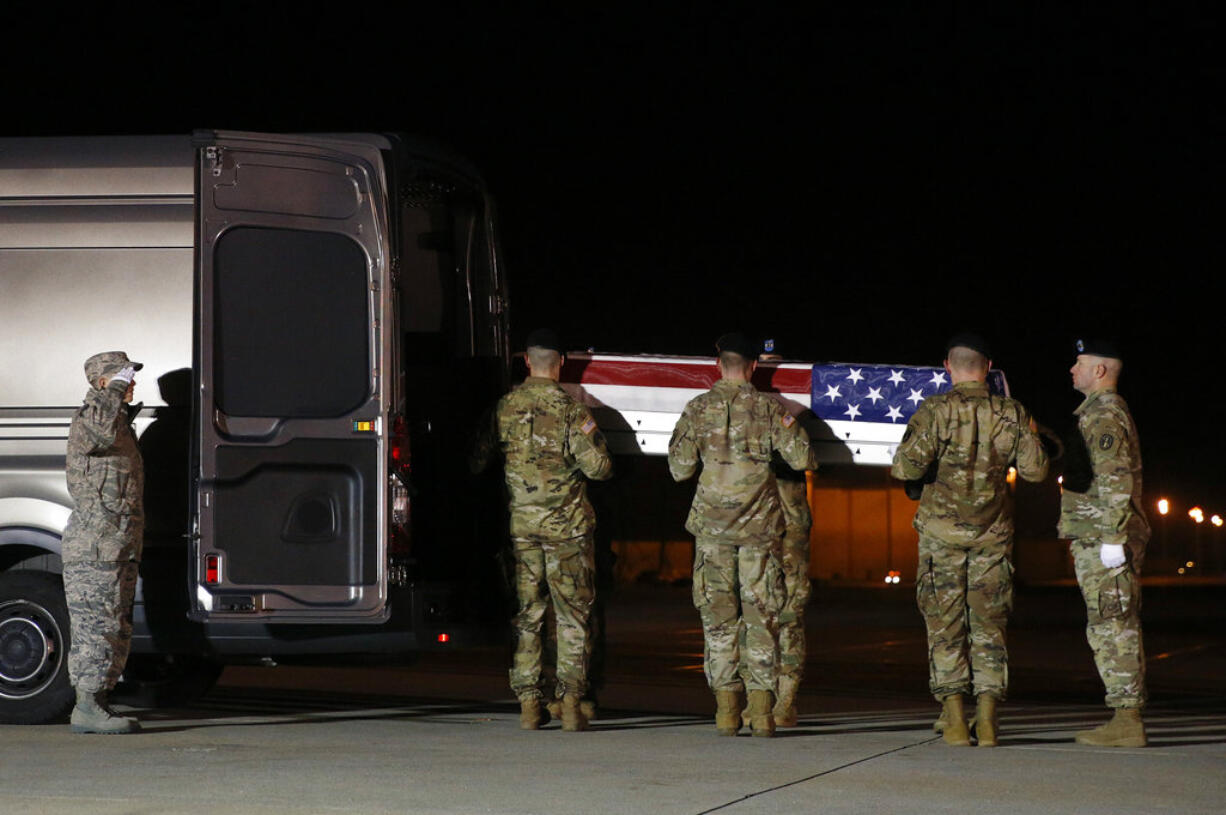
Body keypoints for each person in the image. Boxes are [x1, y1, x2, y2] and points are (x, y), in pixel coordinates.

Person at [890, 334, 1048, 747]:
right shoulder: (1010, 413)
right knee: (989, 627)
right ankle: (990, 720)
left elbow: (905, 467)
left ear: (947, 366)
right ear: (988, 366)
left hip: (941, 537)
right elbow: (1036, 471)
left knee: (945, 628)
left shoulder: (935, 411)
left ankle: (956, 721)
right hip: (992, 537)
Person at [667, 332, 816, 737]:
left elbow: (679, 469)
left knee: (718, 623)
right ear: (753, 366)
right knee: (761, 621)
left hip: (712, 534)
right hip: (758, 534)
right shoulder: (771, 409)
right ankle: (764, 715)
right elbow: (803, 458)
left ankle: (727, 714)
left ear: (719, 364)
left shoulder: (696, 409)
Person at [470, 328, 613, 732]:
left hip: (522, 531)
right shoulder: (572, 412)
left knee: (527, 616)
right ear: (560, 363)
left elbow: (477, 461)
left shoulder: (504, 408)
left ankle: (530, 706)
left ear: (527, 361)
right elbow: (600, 468)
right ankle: (569, 704)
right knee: (572, 618)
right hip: (567, 532)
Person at [1060, 339, 1151, 747]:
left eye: (1079, 363)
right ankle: (1123, 715)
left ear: (1099, 370)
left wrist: (1113, 538)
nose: (1071, 369)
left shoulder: (1105, 414)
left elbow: (1115, 477)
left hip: (1104, 537)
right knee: (1108, 623)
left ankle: (1127, 720)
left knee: (1114, 625)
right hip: (1097, 534)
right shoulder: (1096, 412)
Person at [63, 351, 145, 734]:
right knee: (96, 624)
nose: (130, 384)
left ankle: (100, 701)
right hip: (95, 545)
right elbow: (102, 430)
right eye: (123, 377)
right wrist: (113, 389)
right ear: (102, 383)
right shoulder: (92, 418)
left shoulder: (118, 421)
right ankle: (87, 707)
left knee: (115, 623)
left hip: (117, 544)